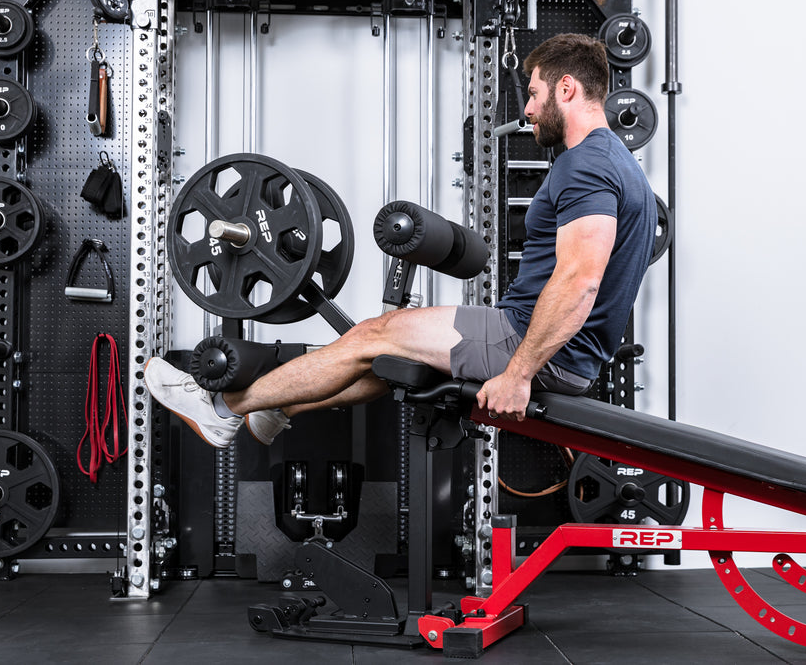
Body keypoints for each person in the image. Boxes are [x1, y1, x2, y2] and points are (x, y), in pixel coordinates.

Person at [144, 32, 657, 448]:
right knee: (391, 360)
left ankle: (221, 409)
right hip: (557, 349)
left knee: (374, 333)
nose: (527, 110)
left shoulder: (586, 165)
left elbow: (580, 281)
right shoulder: (618, 163)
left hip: (533, 345)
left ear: (566, 88)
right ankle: (276, 407)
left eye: (534, 93)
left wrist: (519, 372)